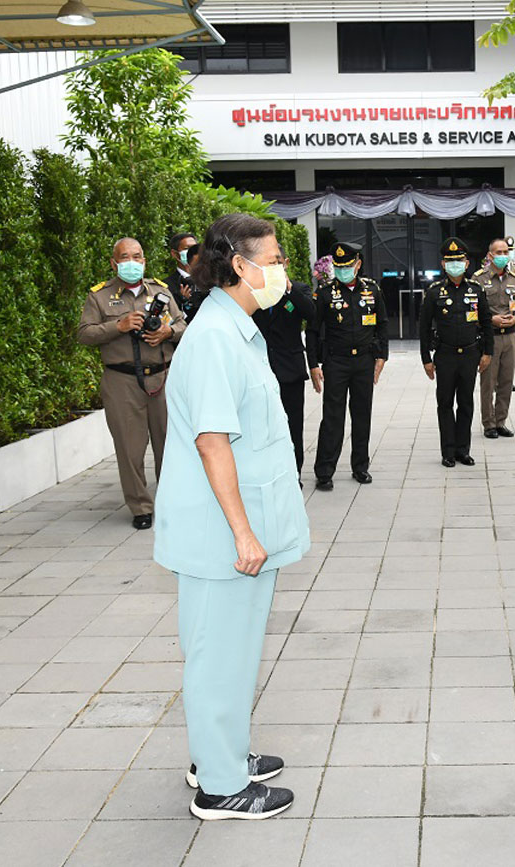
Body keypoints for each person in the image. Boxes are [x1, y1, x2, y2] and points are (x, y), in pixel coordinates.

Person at [153, 212, 311, 822]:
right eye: (274, 261)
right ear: (240, 267)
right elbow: (212, 442)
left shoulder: (233, 326)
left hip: (234, 527)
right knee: (220, 656)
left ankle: (219, 755)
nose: (282, 271)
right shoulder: (217, 337)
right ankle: (220, 788)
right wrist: (243, 533)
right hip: (223, 535)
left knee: (229, 652)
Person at [77, 237, 185, 529]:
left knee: (170, 445)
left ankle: (172, 502)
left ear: (144, 260)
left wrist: (167, 332)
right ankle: (141, 508)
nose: (132, 262)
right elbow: (85, 334)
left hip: (162, 378)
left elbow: (183, 325)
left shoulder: (161, 291)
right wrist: (119, 326)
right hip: (121, 381)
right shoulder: (99, 297)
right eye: (125, 257)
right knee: (130, 448)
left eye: (137, 257)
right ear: (114, 263)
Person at [306, 242, 388, 490]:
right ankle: (324, 471)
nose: (343, 271)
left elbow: (382, 324)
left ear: (358, 264)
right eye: (339, 267)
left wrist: (382, 356)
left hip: (364, 360)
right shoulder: (325, 292)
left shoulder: (372, 289)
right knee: (333, 417)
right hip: (336, 361)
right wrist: (313, 364)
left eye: (348, 266)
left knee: (362, 414)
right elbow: (311, 330)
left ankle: (360, 467)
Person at [420, 238, 493, 467]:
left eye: (459, 261)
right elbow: (423, 328)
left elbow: (487, 322)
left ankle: (463, 450)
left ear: (467, 262)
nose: (455, 265)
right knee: (445, 404)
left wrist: (487, 352)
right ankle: (448, 452)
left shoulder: (476, 289)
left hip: (471, 355)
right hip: (445, 356)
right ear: (443, 264)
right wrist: (426, 359)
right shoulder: (434, 292)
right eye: (450, 261)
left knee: (466, 404)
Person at [252, 245, 318, 480]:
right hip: (259, 371)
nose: (273, 267)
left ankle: (294, 474)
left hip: (290, 372)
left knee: (293, 426)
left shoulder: (299, 289)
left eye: (276, 262)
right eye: (267, 263)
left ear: (285, 263)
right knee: (262, 426)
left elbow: (312, 314)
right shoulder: (254, 291)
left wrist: (288, 289)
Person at [474, 237, 515, 437]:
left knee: (506, 381)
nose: (503, 256)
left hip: (510, 337)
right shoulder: (479, 279)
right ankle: (488, 424)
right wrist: (491, 319)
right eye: (499, 253)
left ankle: (500, 421)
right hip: (490, 337)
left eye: (506, 252)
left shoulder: (514, 278)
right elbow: (474, 309)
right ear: (490, 255)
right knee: (488, 382)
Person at [166, 231, 207, 322]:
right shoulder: (166, 286)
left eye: (195, 248)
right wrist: (182, 302)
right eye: (187, 248)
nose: (192, 253)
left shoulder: (209, 279)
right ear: (175, 254)